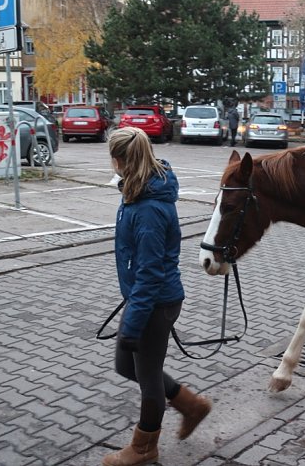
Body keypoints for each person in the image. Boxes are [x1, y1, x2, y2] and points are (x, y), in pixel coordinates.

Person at [103, 127, 211, 466]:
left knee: (148, 377)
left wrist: (134, 324)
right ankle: (192, 405)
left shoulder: (148, 207)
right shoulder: (138, 190)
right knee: (126, 365)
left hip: (153, 301)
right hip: (145, 298)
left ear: (120, 161)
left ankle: (144, 447)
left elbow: (150, 272)